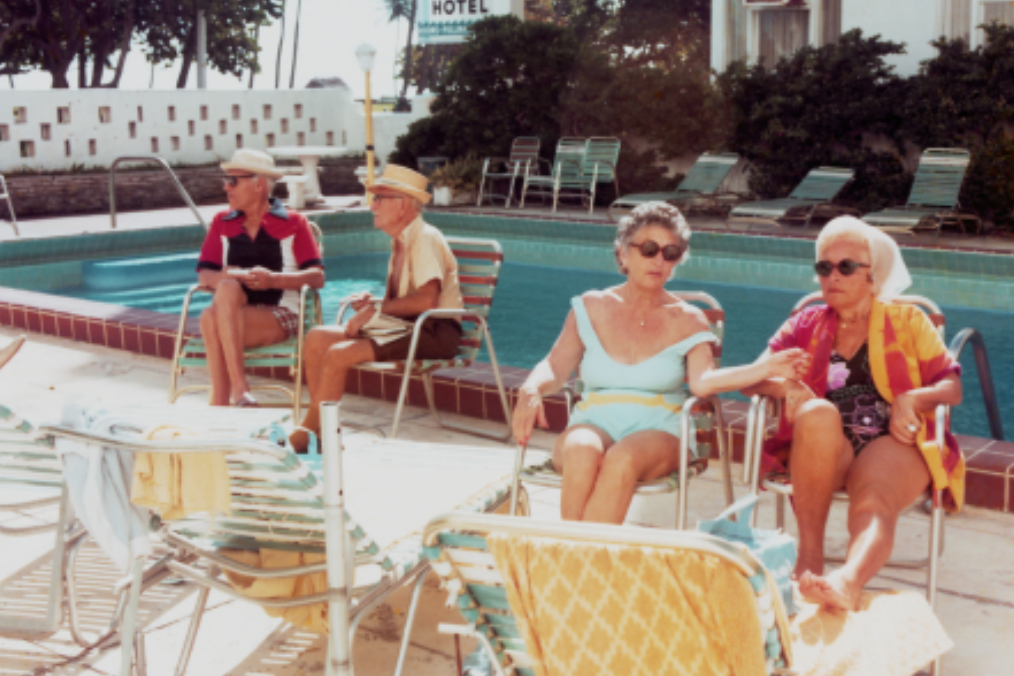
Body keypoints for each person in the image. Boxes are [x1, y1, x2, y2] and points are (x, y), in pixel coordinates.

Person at [512, 202, 810, 524]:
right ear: (623, 253)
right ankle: (580, 551)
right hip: (593, 420)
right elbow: (556, 366)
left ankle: (570, 552)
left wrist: (767, 368)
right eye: (649, 249)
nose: (659, 260)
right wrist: (531, 388)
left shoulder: (689, 319)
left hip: (660, 430)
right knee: (581, 451)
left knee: (623, 458)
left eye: (670, 253)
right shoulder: (590, 307)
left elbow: (703, 383)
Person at [743, 216, 963, 611]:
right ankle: (809, 561)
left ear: (873, 275)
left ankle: (847, 581)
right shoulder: (804, 324)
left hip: (892, 442)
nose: (833, 276)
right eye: (824, 267)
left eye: (846, 267)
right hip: (824, 448)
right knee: (816, 412)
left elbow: (952, 386)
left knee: (873, 500)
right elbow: (751, 378)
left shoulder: (909, 321)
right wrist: (785, 386)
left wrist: (911, 399)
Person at [291, 164, 463, 451]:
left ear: (402, 204)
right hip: (410, 327)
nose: (372, 206)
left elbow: (427, 301)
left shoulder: (424, 238)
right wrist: (375, 304)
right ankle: (322, 432)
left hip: (434, 332)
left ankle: (307, 432)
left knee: (339, 354)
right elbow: (408, 301)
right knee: (317, 338)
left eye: (380, 198)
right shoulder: (401, 241)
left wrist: (377, 312)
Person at [196, 149, 325, 407]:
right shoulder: (222, 222)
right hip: (234, 311)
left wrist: (273, 280)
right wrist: (224, 276)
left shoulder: (294, 222)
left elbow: (317, 277)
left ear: (259, 185)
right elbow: (204, 275)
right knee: (227, 288)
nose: (226, 187)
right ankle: (239, 389)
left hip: (280, 313)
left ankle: (220, 401)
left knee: (210, 318)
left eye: (233, 181)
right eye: (226, 181)